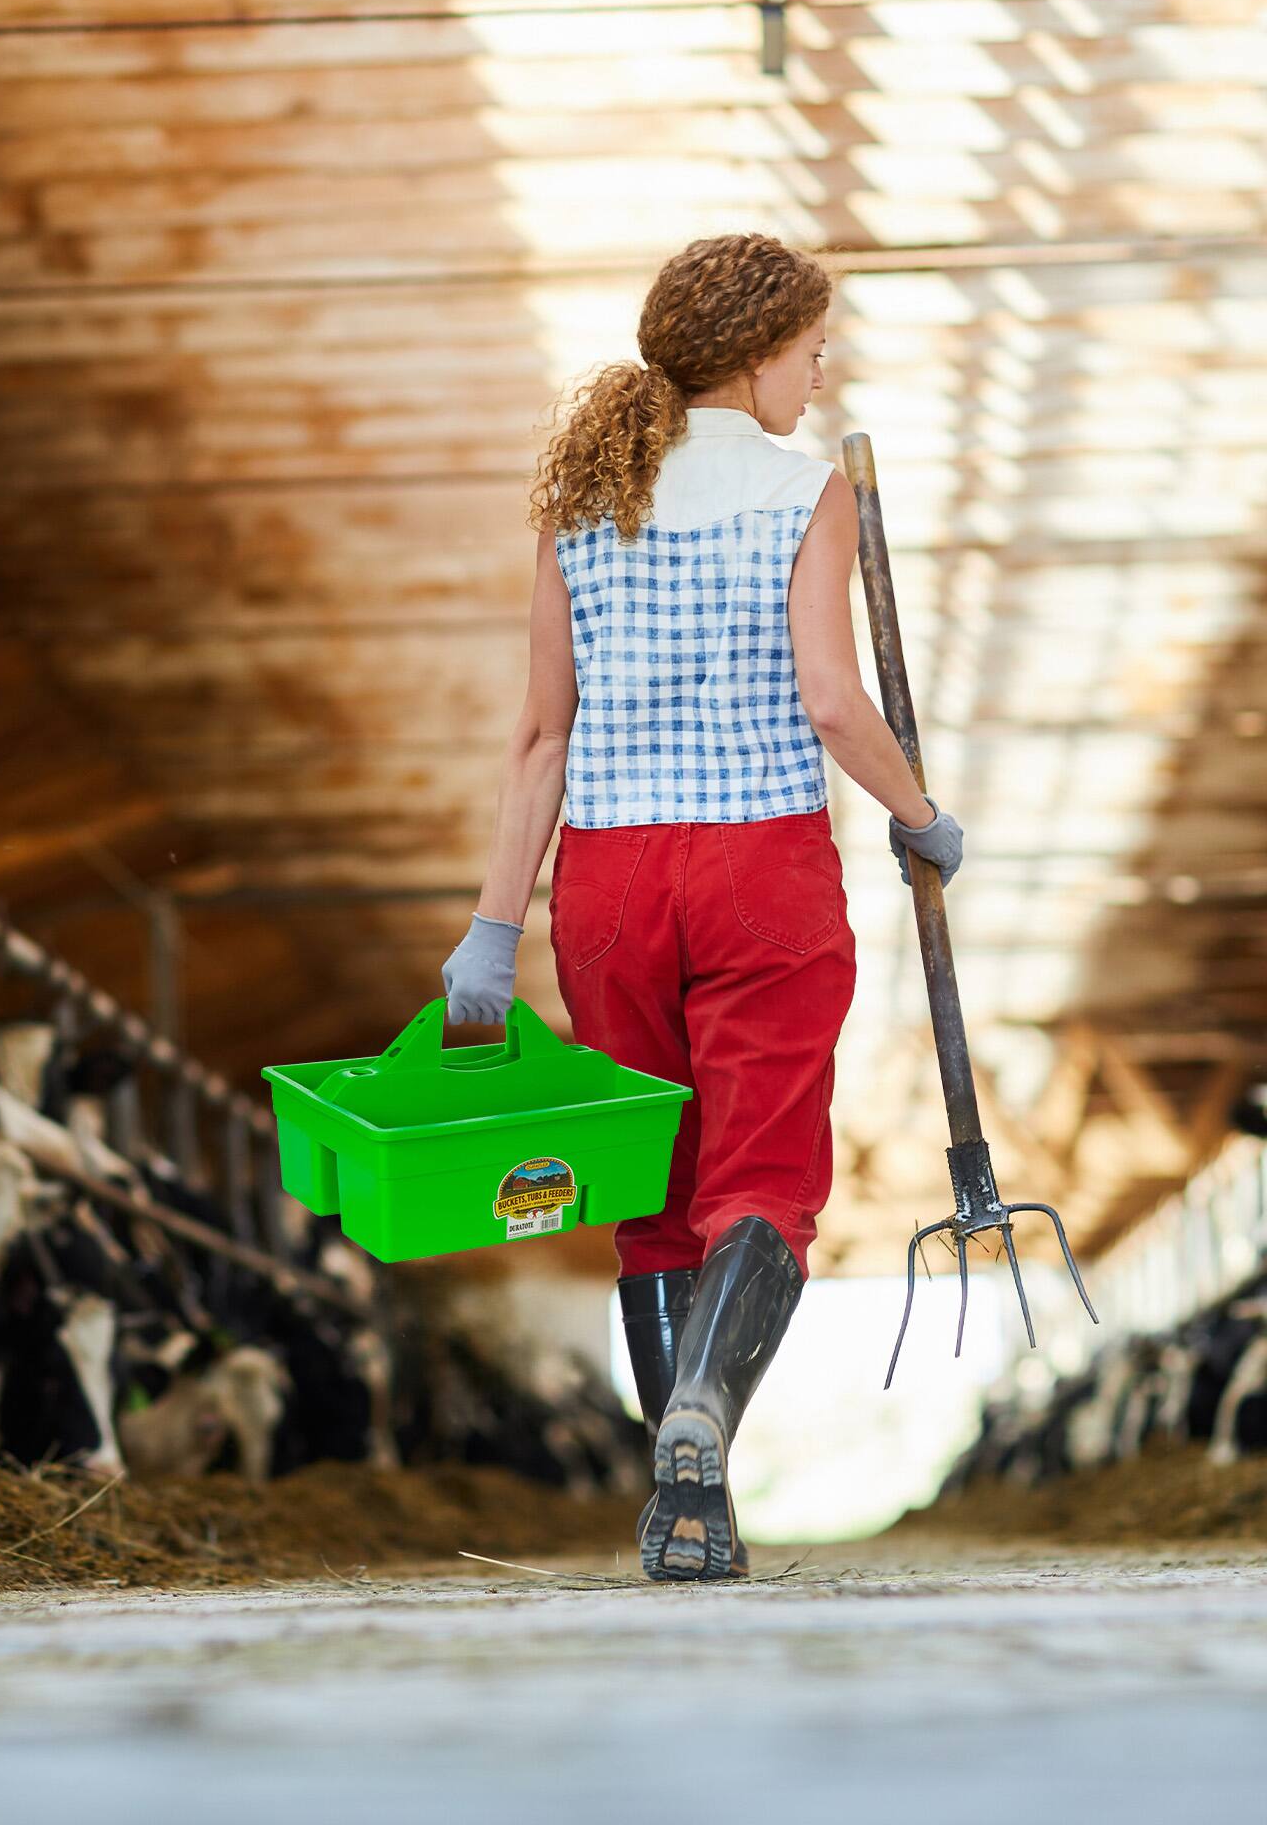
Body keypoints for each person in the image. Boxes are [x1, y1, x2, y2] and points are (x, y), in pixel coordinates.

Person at [440, 232, 962, 1582]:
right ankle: (702, 1421)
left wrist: (494, 931)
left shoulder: (579, 502)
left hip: (610, 884)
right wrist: (918, 815)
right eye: (809, 347)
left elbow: (538, 740)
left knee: (652, 1196)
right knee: (765, 1187)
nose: (819, 369)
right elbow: (836, 702)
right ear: (753, 353)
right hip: (760, 870)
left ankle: (690, 1509)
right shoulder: (804, 493)